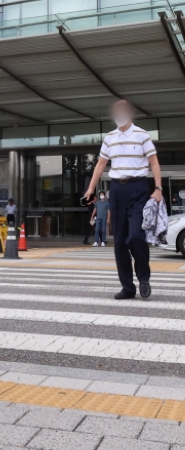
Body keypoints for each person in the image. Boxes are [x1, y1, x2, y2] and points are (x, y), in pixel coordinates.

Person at [83, 100, 162, 300]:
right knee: (119, 242)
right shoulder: (110, 138)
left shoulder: (142, 135)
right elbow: (101, 164)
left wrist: (159, 188)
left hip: (139, 189)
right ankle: (128, 287)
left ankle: (143, 278)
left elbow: (154, 162)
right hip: (117, 189)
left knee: (136, 235)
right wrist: (91, 188)